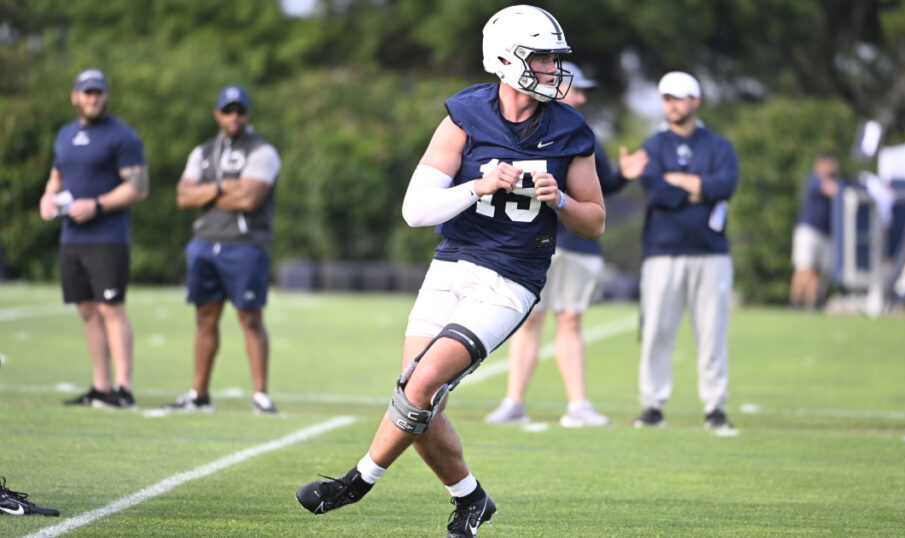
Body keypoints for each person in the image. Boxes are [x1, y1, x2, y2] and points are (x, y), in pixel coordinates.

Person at [295, 6, 604, 536]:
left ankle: (357, 482)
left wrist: (561, 202)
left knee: (420, 385)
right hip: (451, 264)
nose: (553, 68)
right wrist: (477, 187)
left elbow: (595, 221)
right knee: (416, 395)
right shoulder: (465, 113)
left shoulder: (571, 129)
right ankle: (470, 499)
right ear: (506, 59)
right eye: (543, 57)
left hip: (510, 278)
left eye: (555, 57)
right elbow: (416, 211)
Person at [485, 61, 648, 427]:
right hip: (535, 242)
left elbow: (597, 189)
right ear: (552, 86)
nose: (582, 95)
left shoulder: (580, 133)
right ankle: (513, 403)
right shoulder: (517, 129)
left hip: (577, 244)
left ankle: (578, 405)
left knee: (570, 320)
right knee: (530, 322)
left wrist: (623, 176)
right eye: (576, 89)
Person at [163, 85, 281, 415]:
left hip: (245, 245)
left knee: (250, 318)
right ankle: (198, 395)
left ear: (248, 113)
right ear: (217, 114)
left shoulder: (263, 151)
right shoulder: (202, 151)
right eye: (227, 111)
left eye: (239, 110)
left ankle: (260, 395)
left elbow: (249, 198)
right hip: (204, 243)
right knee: (204, 318)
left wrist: (207, 191)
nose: (233, 117)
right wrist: (223, 187)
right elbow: (183, 197)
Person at [630, 71, 739, 430]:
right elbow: (657, 191)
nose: (671, 105)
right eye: (666, 98)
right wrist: (698, 189)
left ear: (696, 101)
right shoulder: (652, 146)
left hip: (711, 253)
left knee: (712, 333)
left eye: (678, 98)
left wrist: (682, 182)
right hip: (662, 252)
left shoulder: (718, 145)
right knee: (657, 332)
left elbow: (726, 185)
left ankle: (715, 406)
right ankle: (653, 404)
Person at [38, 69, 149, 409]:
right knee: (87, 310)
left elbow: (138, 187)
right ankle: (100, 387)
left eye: (98, 92)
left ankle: (123, 389)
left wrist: (97, 205)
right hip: (72, 237)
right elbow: (57, 176)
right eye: (87, 92)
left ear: (106, 96)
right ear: (75, 96)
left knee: (110, 308)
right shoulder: (65, 135)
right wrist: (47, 197)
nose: (93, 98)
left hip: (108, 236)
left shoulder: (122, 136)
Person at [788, 153, 840, 309]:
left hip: (824, 232)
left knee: (817, 271)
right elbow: (832, 190)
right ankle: (795, 302)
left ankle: (811, 304)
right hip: (809, 231)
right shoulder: (813, 180)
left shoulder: (828, 181)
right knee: (804, 268)